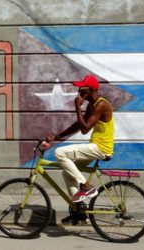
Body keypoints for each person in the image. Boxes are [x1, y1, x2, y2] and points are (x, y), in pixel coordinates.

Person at [46, 74, 115, 223]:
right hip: (95, 146)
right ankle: (79, 211)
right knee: (67, 174)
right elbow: (78, 125)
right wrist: (58, 137)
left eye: (81, 89)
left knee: (60, 153)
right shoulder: (92, 105)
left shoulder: (101, 105)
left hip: (101, 148)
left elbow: (84, 129)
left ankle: (86, 186)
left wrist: (77, 106)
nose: (79, 92)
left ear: (90, 90)